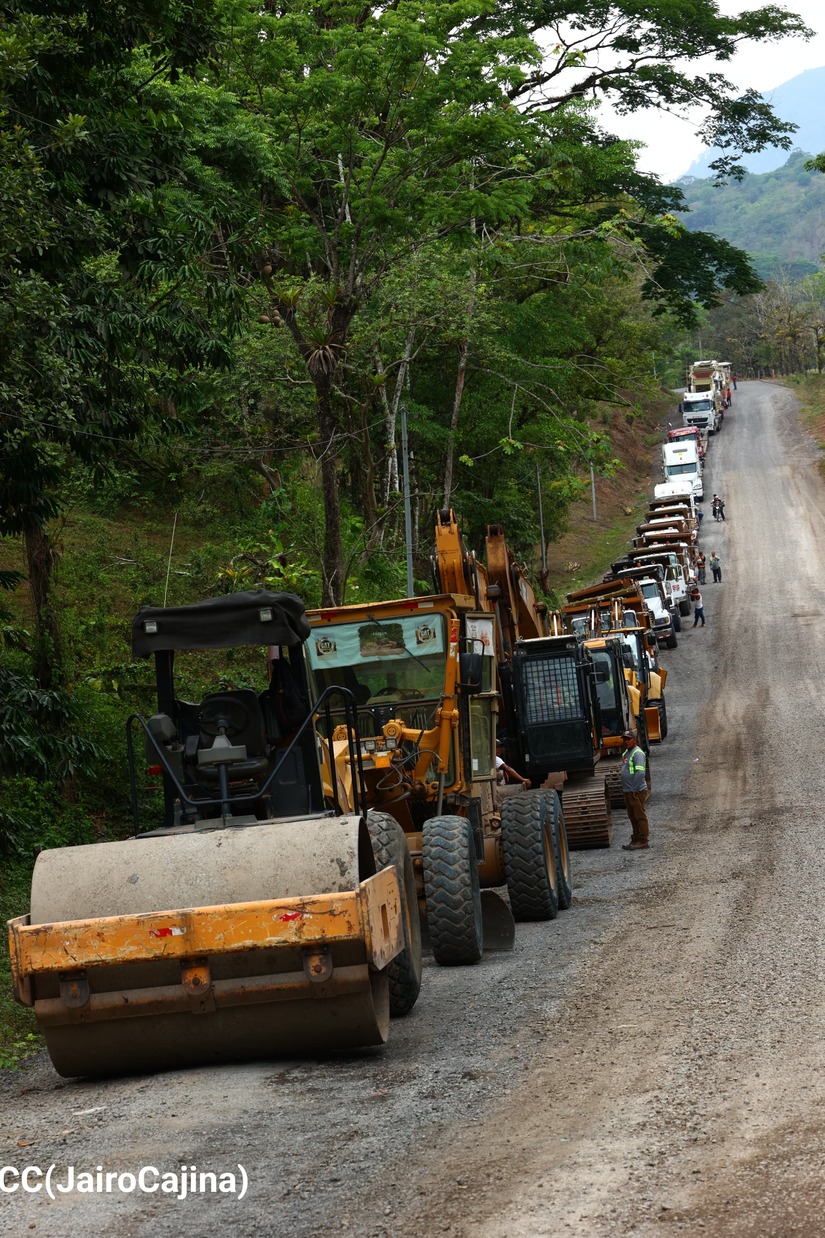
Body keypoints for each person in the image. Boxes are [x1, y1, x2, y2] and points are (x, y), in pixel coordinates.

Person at [620, 730, 650, 851]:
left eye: (628, 739)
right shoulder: (627, 753)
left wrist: (634, 789)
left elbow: (640, 773)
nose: (626, 741)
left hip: (636, 791)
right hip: (629, 790)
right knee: (632, 816)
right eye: (624, 739)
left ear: (634, 740)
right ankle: (636, 838)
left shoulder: (637, 753)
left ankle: (643, 840)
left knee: (639, 815)